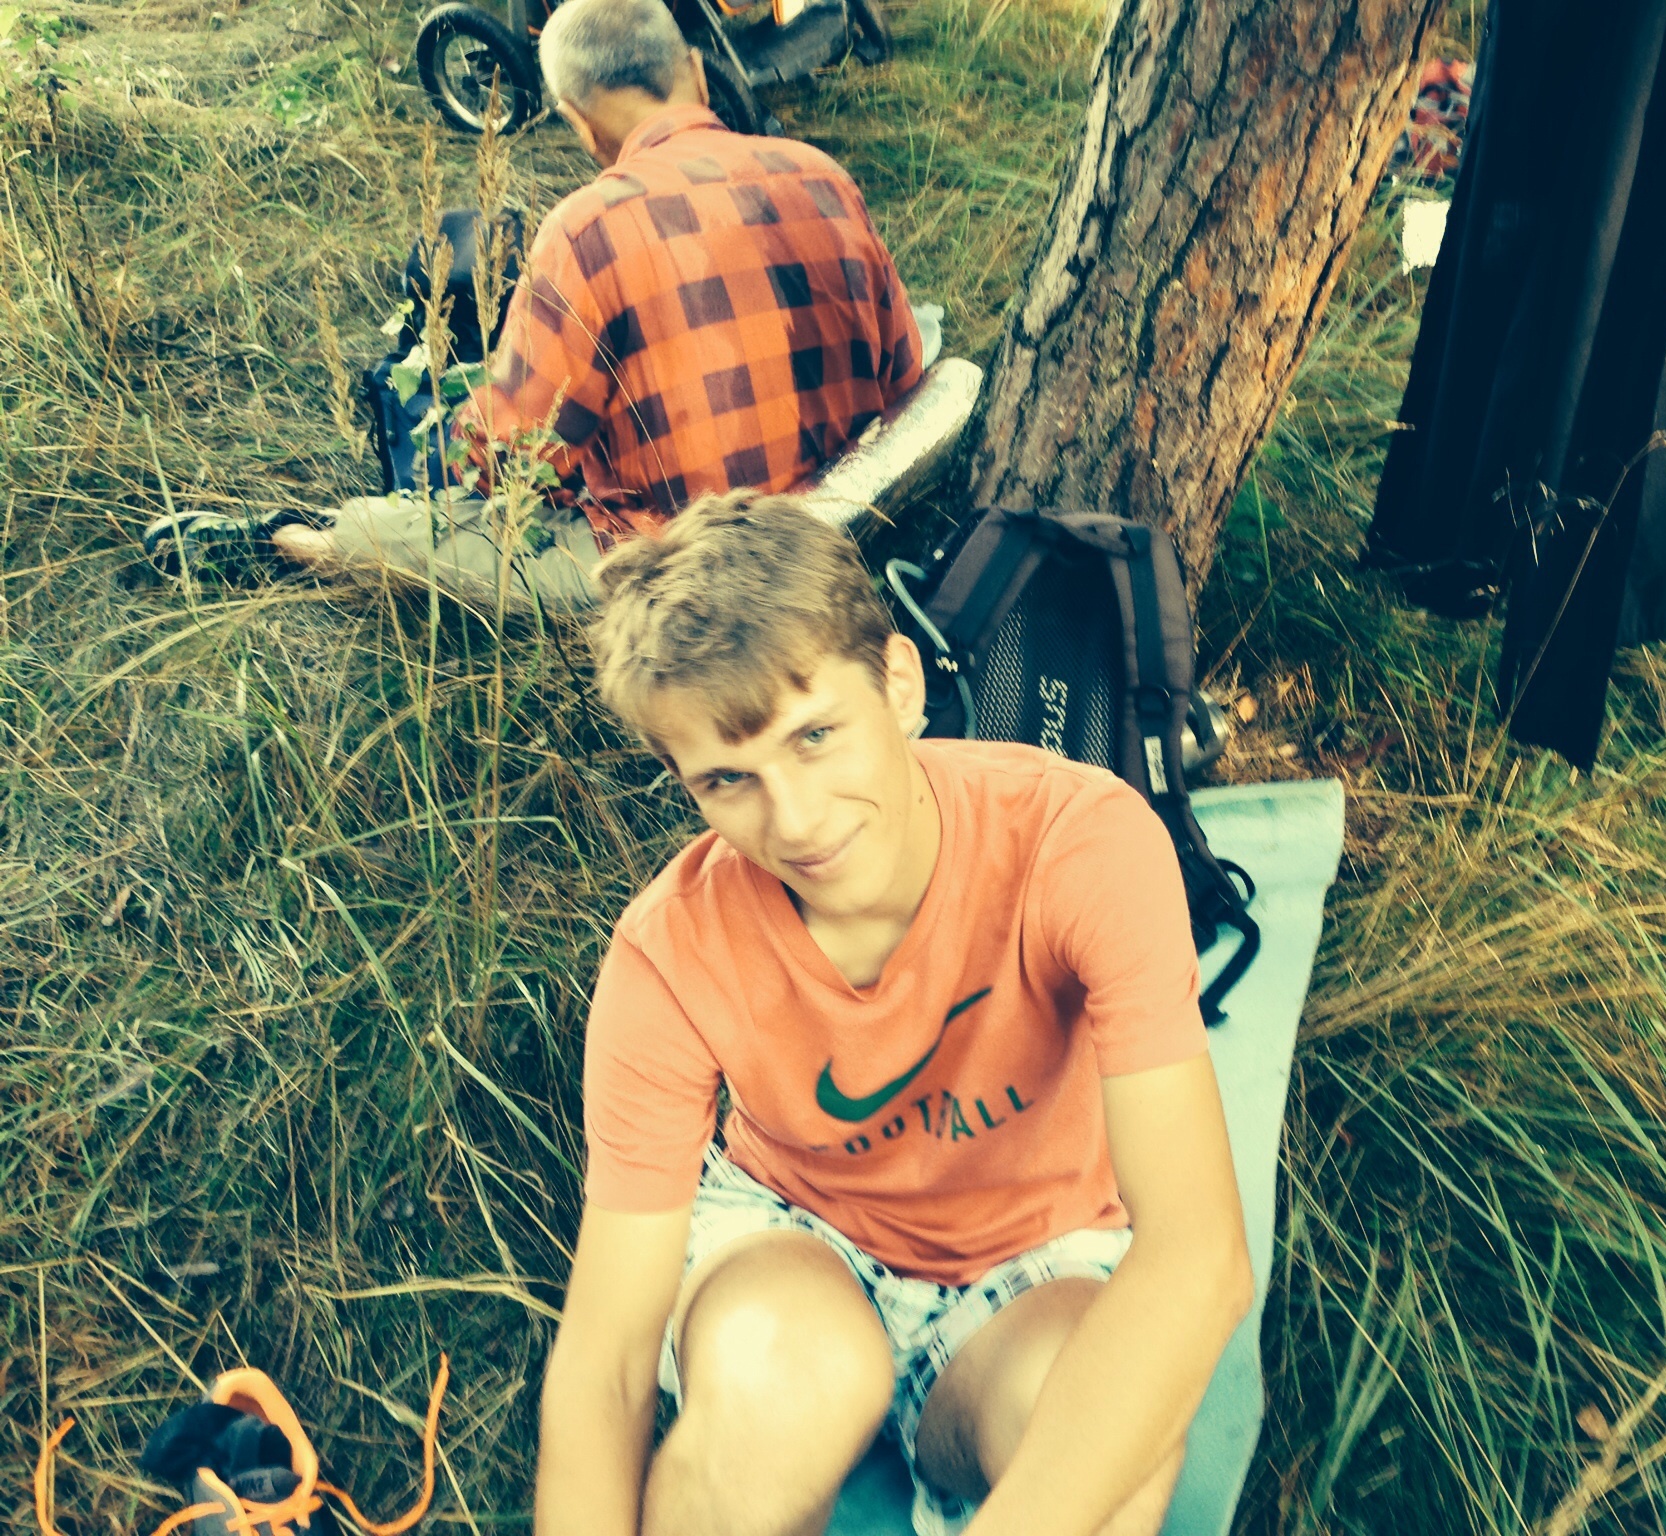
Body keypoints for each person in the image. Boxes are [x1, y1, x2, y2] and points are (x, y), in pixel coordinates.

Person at [544, 489, 1252, 1536]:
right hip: (794, 1244)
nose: (795, 821)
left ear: (900, 684)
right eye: (729, 780)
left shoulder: (1080, 844)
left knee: (1109, 1432)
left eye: (815, 735)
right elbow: (606, 1361)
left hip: (1035, 1261)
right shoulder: (669, 952)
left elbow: (1198, 1257)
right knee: (780, 1390)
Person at [166, 0, 928, 611]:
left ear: (576, 118)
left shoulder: (587, 229)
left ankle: (290, 544)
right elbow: (903, 375)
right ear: (696, 71)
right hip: (841, 529)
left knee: (409, 531)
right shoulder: (823, 174)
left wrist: (476, 422)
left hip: (695, 570)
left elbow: (509, 464)